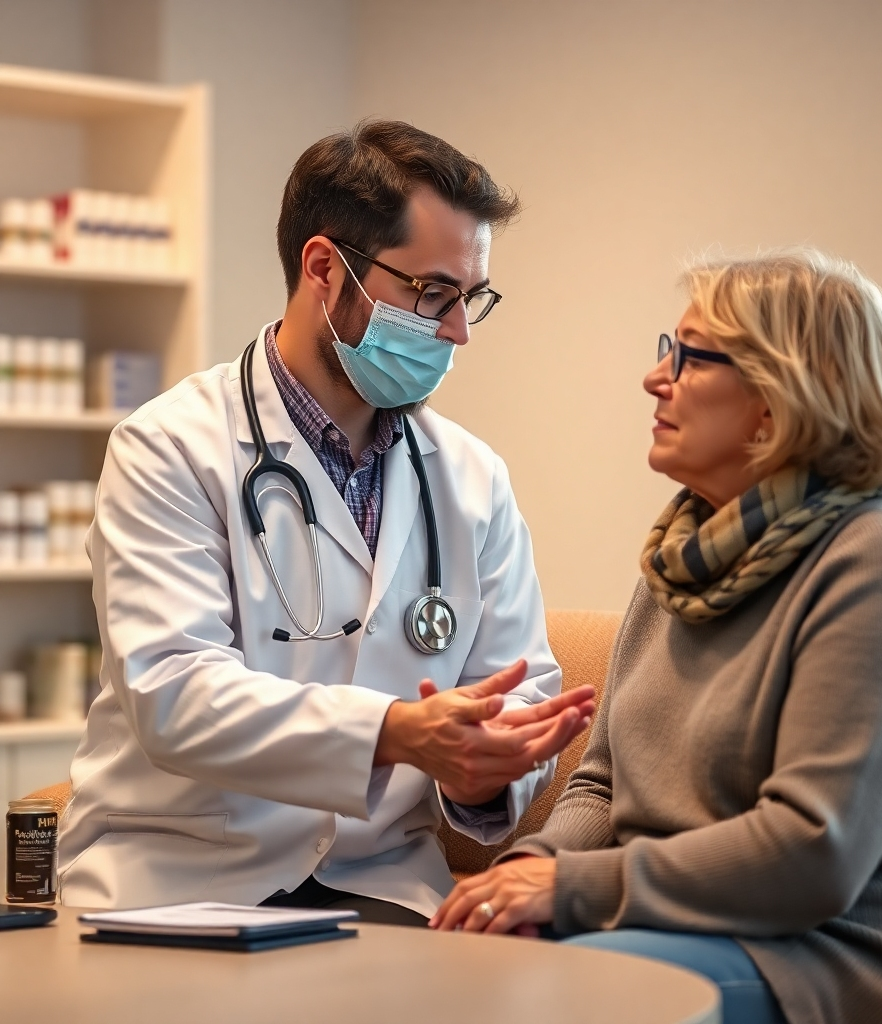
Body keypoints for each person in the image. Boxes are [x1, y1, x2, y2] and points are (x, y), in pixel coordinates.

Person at [431, 250, 882, 1023]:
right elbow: (603, 785)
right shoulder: (685, 557)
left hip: (832, 954)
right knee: (464, 974)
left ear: (777, 402)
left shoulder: (881, 560)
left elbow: (813, 850)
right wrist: (533, 866)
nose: (654, 379)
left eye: (690, 357)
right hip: (667, 924)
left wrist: (572, 890)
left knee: (562, 994)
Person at [58, 121, 595, 924]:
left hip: (382, 888)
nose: (458, 332)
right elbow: (172, 691)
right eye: (433, 293)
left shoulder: (472, 478)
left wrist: (485, 771)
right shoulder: (170, 447)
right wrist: (395, 732)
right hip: (183, 882)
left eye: (470, 297)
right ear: (323, 269)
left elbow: (518, 688)